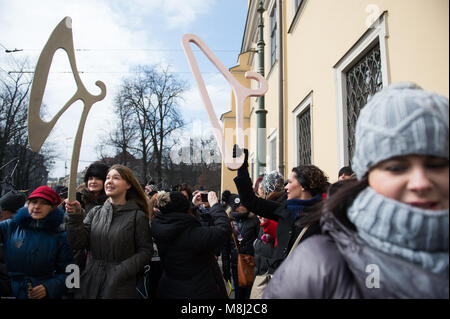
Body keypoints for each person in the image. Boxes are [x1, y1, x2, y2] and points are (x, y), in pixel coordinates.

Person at [263, 82, 449, 298]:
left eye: (436, 164)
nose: (420, 182)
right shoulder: (317, 265)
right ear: (366, 176)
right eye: (396, 167)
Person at [232, 146, 329, 275]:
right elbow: (250, 201)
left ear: (303, 186)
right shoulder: (284, 209)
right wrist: (242, 168)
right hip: (278, 282)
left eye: (289, 182)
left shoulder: (325, 216)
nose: (286, 186)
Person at [65, 164, 153, 299]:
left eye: (116, 178)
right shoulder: (95, 212)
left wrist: (120, 271)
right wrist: (75, 217)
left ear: (128, 185)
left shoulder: (137, 216)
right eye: (107, 178)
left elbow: (145, 251)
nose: (109, 181)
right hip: (90, 282)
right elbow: (78, 242)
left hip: (120, 286)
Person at [151, 190, 231, 299]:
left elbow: (179, 219)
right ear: (184, 209)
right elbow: (223, 230)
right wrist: (215, 206)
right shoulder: (192, 234)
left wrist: (192, 206)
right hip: (198, 290)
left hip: (169, 288)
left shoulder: (159, 226)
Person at [0, 186, 74, 299]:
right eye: (33, 202)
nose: (37, 206)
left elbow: (71, 276)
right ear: (27, 204)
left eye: (44, 203)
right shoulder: (9, 227)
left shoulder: (60, 236)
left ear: (53, 208)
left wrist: (48, 288)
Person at [221, 194, 260, 299]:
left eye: (244, 204)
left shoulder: (254, 220)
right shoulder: (228, 222)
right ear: (234, 207)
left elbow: (259, 242)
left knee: (250, 293)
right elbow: (225, 248)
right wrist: (226, 267)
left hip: (251, 262)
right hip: (235, 263)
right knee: (238, 294)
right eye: (239, 205)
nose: (242, 207)